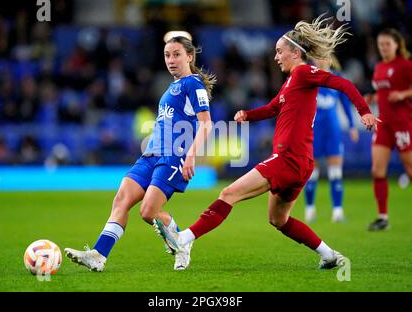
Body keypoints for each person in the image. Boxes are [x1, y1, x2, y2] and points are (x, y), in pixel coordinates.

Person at [154, 15, 379, 270]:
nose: (276, 57)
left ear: (295, 53)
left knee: (229, 193)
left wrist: (364, 111)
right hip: (300, 162)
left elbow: (342, 82)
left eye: (279, 51)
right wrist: (248, 115)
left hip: (288, 158)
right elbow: (273, 108)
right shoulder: (292, 82)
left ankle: (184, 238)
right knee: (278, 219)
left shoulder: (305, 72)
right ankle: (328, 255)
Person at [64, 33, 216, 271]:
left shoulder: (193, 84)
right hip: (151, 156)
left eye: (177, 54)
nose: (171, 60)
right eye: (167, 55)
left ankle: (182, 242)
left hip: (172, 157)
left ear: (190, 56)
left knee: (148, 211)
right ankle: (98, 255)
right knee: (121, 200)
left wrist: (191, 156)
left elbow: (206, 124)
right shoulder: (172, 87)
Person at [365, 28, 412, 231]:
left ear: (396, 45)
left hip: (402, 123)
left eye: (387, 44)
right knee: (377, 170)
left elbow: (402, 91)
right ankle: (383, 217)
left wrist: (403, 94)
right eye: (380, 44)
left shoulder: (405, 65)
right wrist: (373, 98)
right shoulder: (379, 67)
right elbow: (382, 92)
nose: (383, 48)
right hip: (383, 124)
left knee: (410, 169)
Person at [304, 56, 360, 223]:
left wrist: (352, 125)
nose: (321, 60)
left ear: (330, 58)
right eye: (318, 57)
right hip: (314, 132)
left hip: (333, 131)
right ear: (313, 59)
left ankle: (337, 211)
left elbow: (345, 103)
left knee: (336, 172)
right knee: (311, 174)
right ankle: (310, 209)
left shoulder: (337, 79)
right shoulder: (309, 77)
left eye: (324, 56)